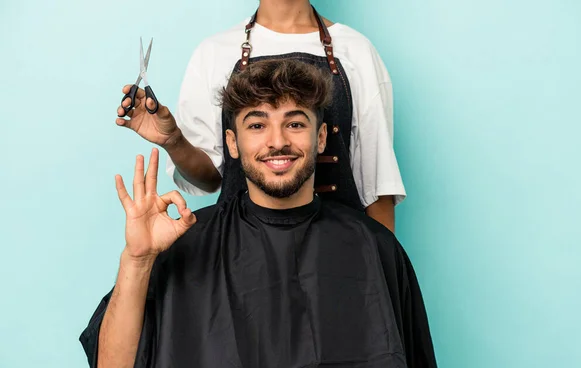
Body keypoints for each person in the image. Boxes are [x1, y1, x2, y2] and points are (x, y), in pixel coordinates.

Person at [87, 59, 445, 368]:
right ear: (232, 143)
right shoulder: (185, 243)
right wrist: (137, 259)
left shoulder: (375, 248)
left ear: (320, 138)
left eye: (295, 123)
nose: (277, 141)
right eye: (257, 125)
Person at [116, 0, 405, 232]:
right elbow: (211, 180)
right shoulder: (213, 53)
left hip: (340, 255)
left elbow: (379, 189)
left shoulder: (357, 50)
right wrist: (174, 141)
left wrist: (385, 279)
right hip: (238, 255)